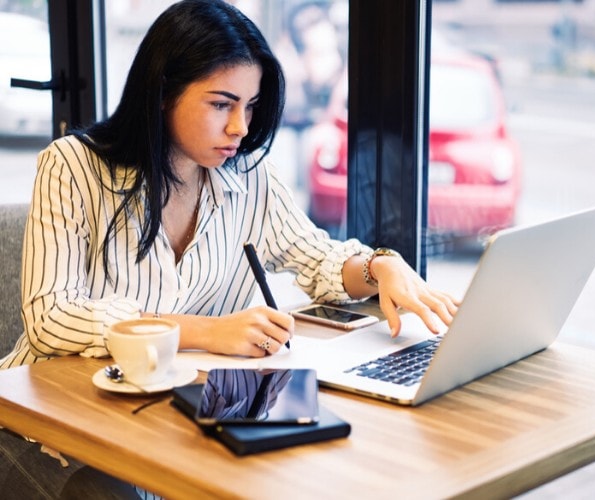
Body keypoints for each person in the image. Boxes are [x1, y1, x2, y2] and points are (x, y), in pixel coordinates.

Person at [0, 0, 458, 497]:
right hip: (48, 424)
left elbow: (317, 257)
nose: (240, 127)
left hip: (173, 422)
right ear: (161, 92)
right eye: (221, 104)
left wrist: (379, 267)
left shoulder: (249, 178)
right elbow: (51, 320)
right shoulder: (71, 167)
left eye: (250, 106)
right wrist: (207, 333)